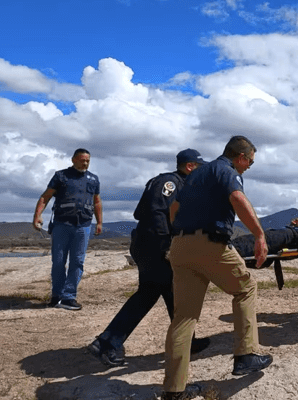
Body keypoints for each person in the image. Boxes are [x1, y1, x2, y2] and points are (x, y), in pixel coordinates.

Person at [161, 135, 272, 400]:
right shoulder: (227, 170)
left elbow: (174, 209)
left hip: (179, 245)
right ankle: (246, 355)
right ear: (241, 157)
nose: (249, 167)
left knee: (183, 317)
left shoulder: (195, 176)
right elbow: (236, 197)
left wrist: (187, 232)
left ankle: (174, 390)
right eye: (250, 162)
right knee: (245, 288)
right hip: (209, 243)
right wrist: (259, 235)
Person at [88, 149, 210, 367]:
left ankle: (186, 341)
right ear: (190, 167)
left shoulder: (180, 184)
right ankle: (106, 342)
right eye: (200, 168)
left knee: (172, 294)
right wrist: (168, 246)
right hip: (156, 246)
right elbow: (155, 213)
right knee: (153, 294)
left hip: (151, 245)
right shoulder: (170, 183)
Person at [33, 148, 102, 311]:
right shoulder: (61, 176)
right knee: (58, 261)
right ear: (73, 160)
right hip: (61, 225)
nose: (85, 163)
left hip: (83, 225)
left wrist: (99, 222)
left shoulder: (93, 179)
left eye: (88, 161)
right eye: (82, 160)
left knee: (77, 261)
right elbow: (45, 196)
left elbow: (97, 201)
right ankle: (56, 295)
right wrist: (37, 216)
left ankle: (69, 297)